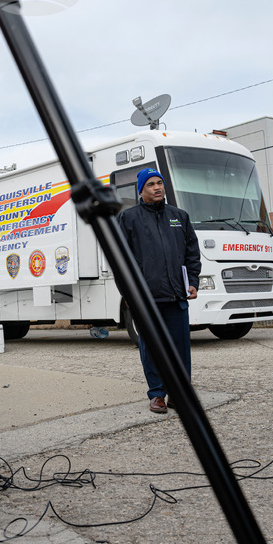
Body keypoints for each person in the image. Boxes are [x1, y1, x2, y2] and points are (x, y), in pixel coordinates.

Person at [117, 167, 201, 414]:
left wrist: (192, 281)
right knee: (152, 348)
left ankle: (179, 394)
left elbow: (191, 253)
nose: (157, 188)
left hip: (176, 296)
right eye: (151, 184)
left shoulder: (180, 217)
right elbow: (121, 262)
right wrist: (129, 294)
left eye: (159, 183)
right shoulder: (128, 218)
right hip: (146, 299)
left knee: (180, 349)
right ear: (141, 190)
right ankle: (157, 395)